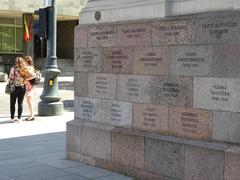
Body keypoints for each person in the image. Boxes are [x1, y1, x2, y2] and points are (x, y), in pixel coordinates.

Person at [8, 57, 27, 122]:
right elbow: (28, 77)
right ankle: (19, 118)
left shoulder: (13, 69)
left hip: (14, 87)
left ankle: (12, 118)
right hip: (22, 87)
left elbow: (11, 78)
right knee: (20, 103)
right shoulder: (24, 69)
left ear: (16, 62)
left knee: (12, 103)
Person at [24, 56, 36, 121]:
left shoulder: (28, 68)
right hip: (30, 85)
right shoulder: (31, 67)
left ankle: (32, 115)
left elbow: (34, 76)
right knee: (30, 101)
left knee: (29, 101)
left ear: (26, 61)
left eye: (24, 61)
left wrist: (26, 79)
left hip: (29, 86)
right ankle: (31, 114)